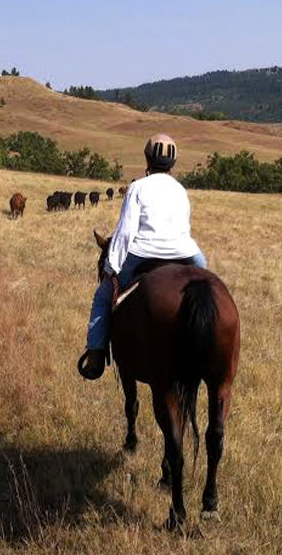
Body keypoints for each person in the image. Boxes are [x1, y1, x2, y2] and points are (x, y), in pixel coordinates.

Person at [78, 134, 206, 380]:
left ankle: (95, 354)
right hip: (185, 252)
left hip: (143, 253)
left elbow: (126, 231)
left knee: (103, 296)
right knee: (208, 281)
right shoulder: (180, 190)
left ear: (148, 158)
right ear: (173, 163)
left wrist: (111, 266)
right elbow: (184, 226)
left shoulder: (137, 187)